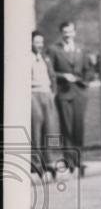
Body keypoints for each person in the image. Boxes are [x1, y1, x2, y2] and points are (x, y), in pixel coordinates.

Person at [48, 20, 89, 174]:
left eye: (70, 31)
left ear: (75, 32)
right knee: (67, 127)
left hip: (79, 93)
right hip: (64, 93)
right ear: (61, 33)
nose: (68, 35)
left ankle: (79, 159)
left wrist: (84, 81)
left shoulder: (81, 49)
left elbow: (88, 69)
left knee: (79, 127)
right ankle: (69, 161)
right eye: (65, 32)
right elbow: (50, 71)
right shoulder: (53, 49)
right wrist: (63, 76)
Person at [31, 30, 59, 178]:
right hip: (33, 94)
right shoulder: (26, 58)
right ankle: (36, 163)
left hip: (47, 93)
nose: (39, 45)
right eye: (36, 42)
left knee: (51, 128)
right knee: (36, 128)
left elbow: (52, 75)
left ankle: (50, 160)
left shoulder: (45, 57)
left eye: (41, 42)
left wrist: (53, 92)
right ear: (30, 43)